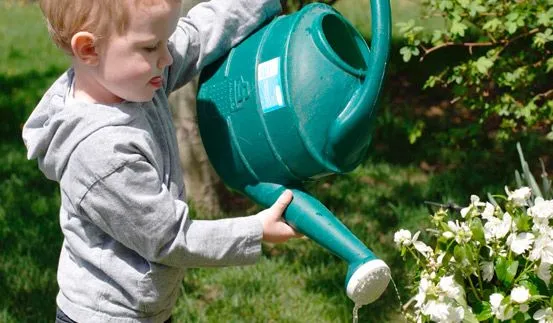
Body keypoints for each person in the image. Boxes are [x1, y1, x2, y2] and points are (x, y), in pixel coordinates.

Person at [22, 0, 300, 322]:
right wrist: (255, 229)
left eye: (165, 41)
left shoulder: (130, 77)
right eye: (152, 46)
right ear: (88, 49)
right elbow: (170, 238)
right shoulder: (101, 154)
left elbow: (195, 35)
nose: (167, 58)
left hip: (146, 309)